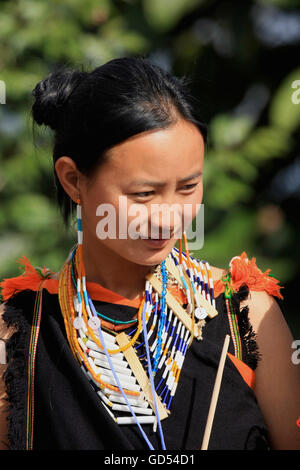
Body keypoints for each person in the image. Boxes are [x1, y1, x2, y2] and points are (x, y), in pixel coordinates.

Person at [0, 56, 299, 451]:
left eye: (189, 187)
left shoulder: (245, 316)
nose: (169, 216)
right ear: (73, 180)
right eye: (144, 194)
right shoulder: (20, 329)